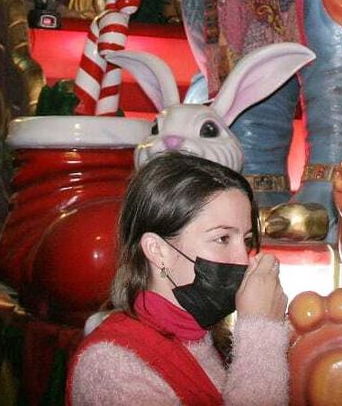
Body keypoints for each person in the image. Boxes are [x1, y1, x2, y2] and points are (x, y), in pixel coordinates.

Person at [67, 153, 288, 406]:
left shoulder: (208, 338)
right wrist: (260, 331)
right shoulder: (110, 364)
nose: (243, 260)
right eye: (223, 239)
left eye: (247, 241)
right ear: (158, 251)